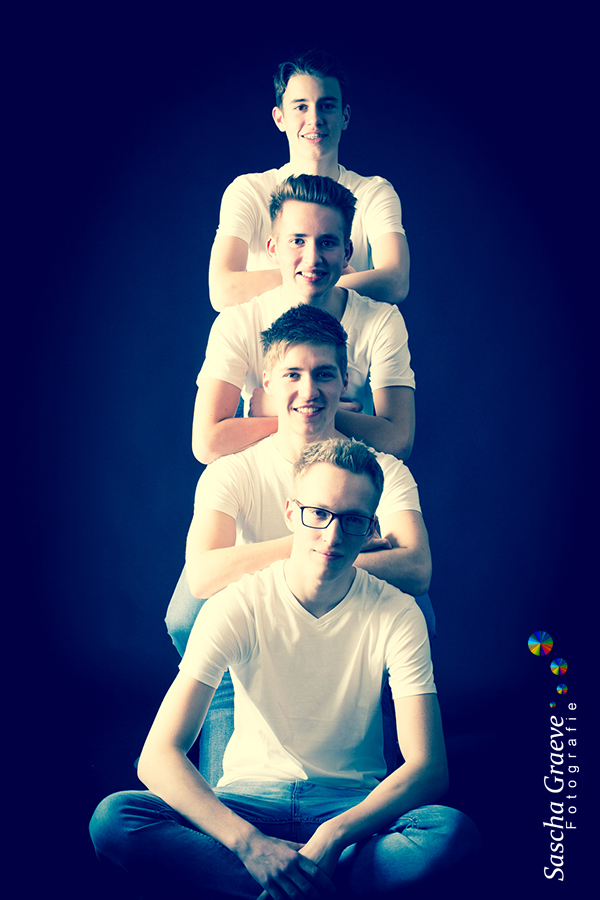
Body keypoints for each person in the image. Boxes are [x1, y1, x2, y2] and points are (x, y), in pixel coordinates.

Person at [90, 440, 480, 899]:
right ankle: (309, 884)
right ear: (292, 513)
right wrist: (251, 846)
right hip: (248, 804)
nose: (333, 536)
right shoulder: (236, 604)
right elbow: (158, 756)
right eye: (319, 514)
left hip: (349, 813)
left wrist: (333, 837)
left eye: (353, 520)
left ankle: (285, 882)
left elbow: (428, 767)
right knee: (115, 820)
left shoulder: (397, 613)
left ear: (371, 528)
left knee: (449, 832)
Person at [166, 305, 434, 785]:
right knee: (227, 804)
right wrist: (321, 548)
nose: (309, 391)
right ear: (268, 382)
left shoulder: (384, 470)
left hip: (351, 646)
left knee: (416, 619)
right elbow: (202, 577)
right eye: (293, 374)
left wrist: (320, 557)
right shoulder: (232, 472)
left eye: (324, 374)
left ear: (344, 383)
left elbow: (416, 568)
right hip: (253, 647)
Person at [195, 173, 415, 467]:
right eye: (298, 241)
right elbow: (207, 443)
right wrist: (317, 413)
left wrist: (281, 407)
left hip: (347, 477)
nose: (313, 258)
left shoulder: (382, 321)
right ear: (273, 249)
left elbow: (398, 440)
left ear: (347, 253)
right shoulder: (237, 322)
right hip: (263, 474)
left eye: (327, 243)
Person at [209, 49, 410, 313]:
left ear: (345, 117)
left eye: (327, 106)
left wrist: (303, 278)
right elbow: (223, 290)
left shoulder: (374, 193)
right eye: (301, 107)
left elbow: (395, 282)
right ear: (280, 118)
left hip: (345, 339)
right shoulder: (248, 191)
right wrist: (328, 274)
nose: (314, 119)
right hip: (267, 339)